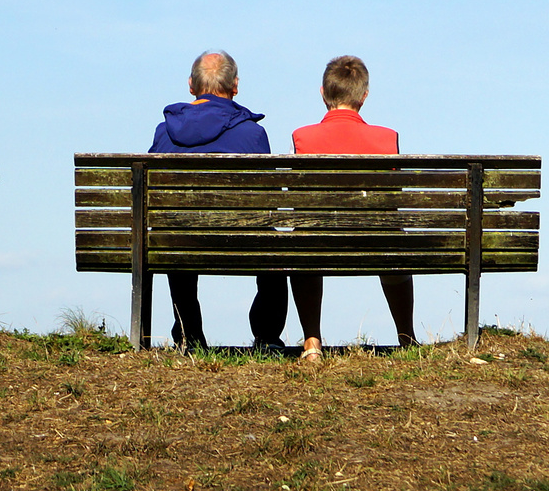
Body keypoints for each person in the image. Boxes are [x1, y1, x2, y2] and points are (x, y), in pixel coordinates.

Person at [148, 50, 289, 350]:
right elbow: (270, 204)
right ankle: (267, 336)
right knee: (273, 237)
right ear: (235, 85)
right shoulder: (252, 134)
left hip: (181, 240)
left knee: (174, 227)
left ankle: (189, 335)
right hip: (241, 238)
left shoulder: (166, 133)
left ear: (191, 85)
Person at [287, 55, 417, 360]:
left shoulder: (302, 138)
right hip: (377, 242)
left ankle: (311, 342)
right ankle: (406, 337)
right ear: (364, 96)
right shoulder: (387, 139)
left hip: (318, 244)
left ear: (323, 93)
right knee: (393, 238)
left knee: (303, 238)